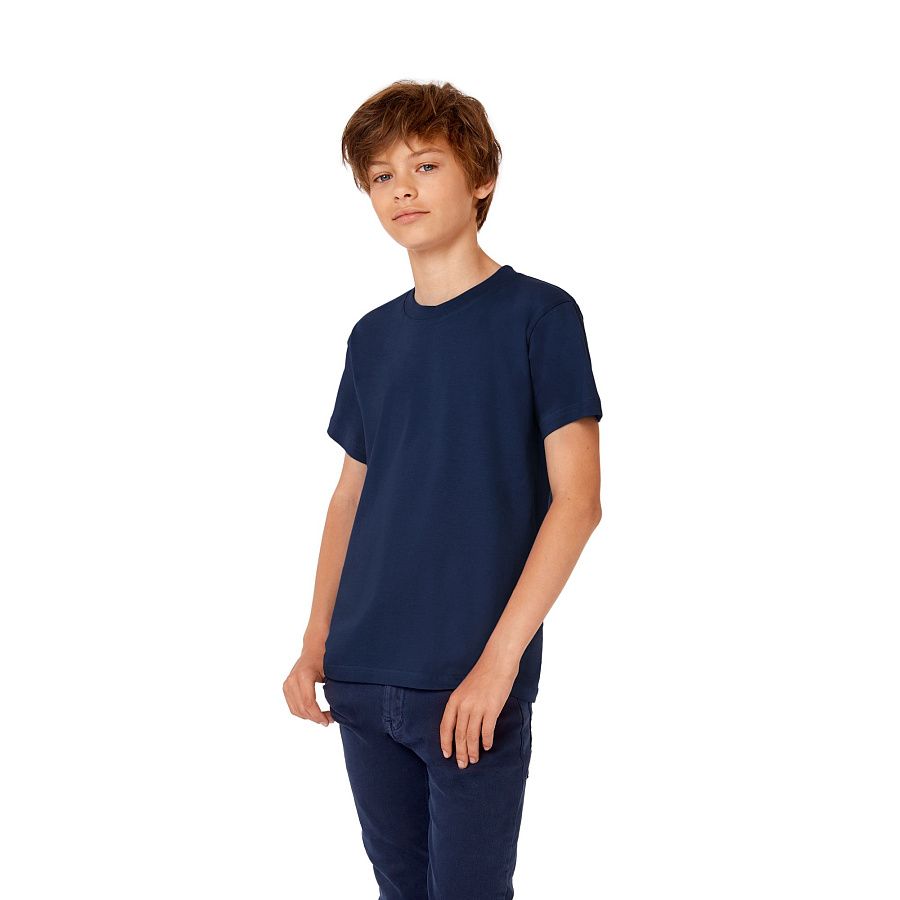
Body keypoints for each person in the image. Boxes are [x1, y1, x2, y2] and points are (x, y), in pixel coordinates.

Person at [283, 79, 604, 900]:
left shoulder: (540, 317)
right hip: (362, 675)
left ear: (481, 178)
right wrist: (316, 641)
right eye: (382, 176)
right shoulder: (372, 337)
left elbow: (578, 503)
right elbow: (349, 497)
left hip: (470, 686)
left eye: (425, 165)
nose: (403, 189)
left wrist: (499, 665)